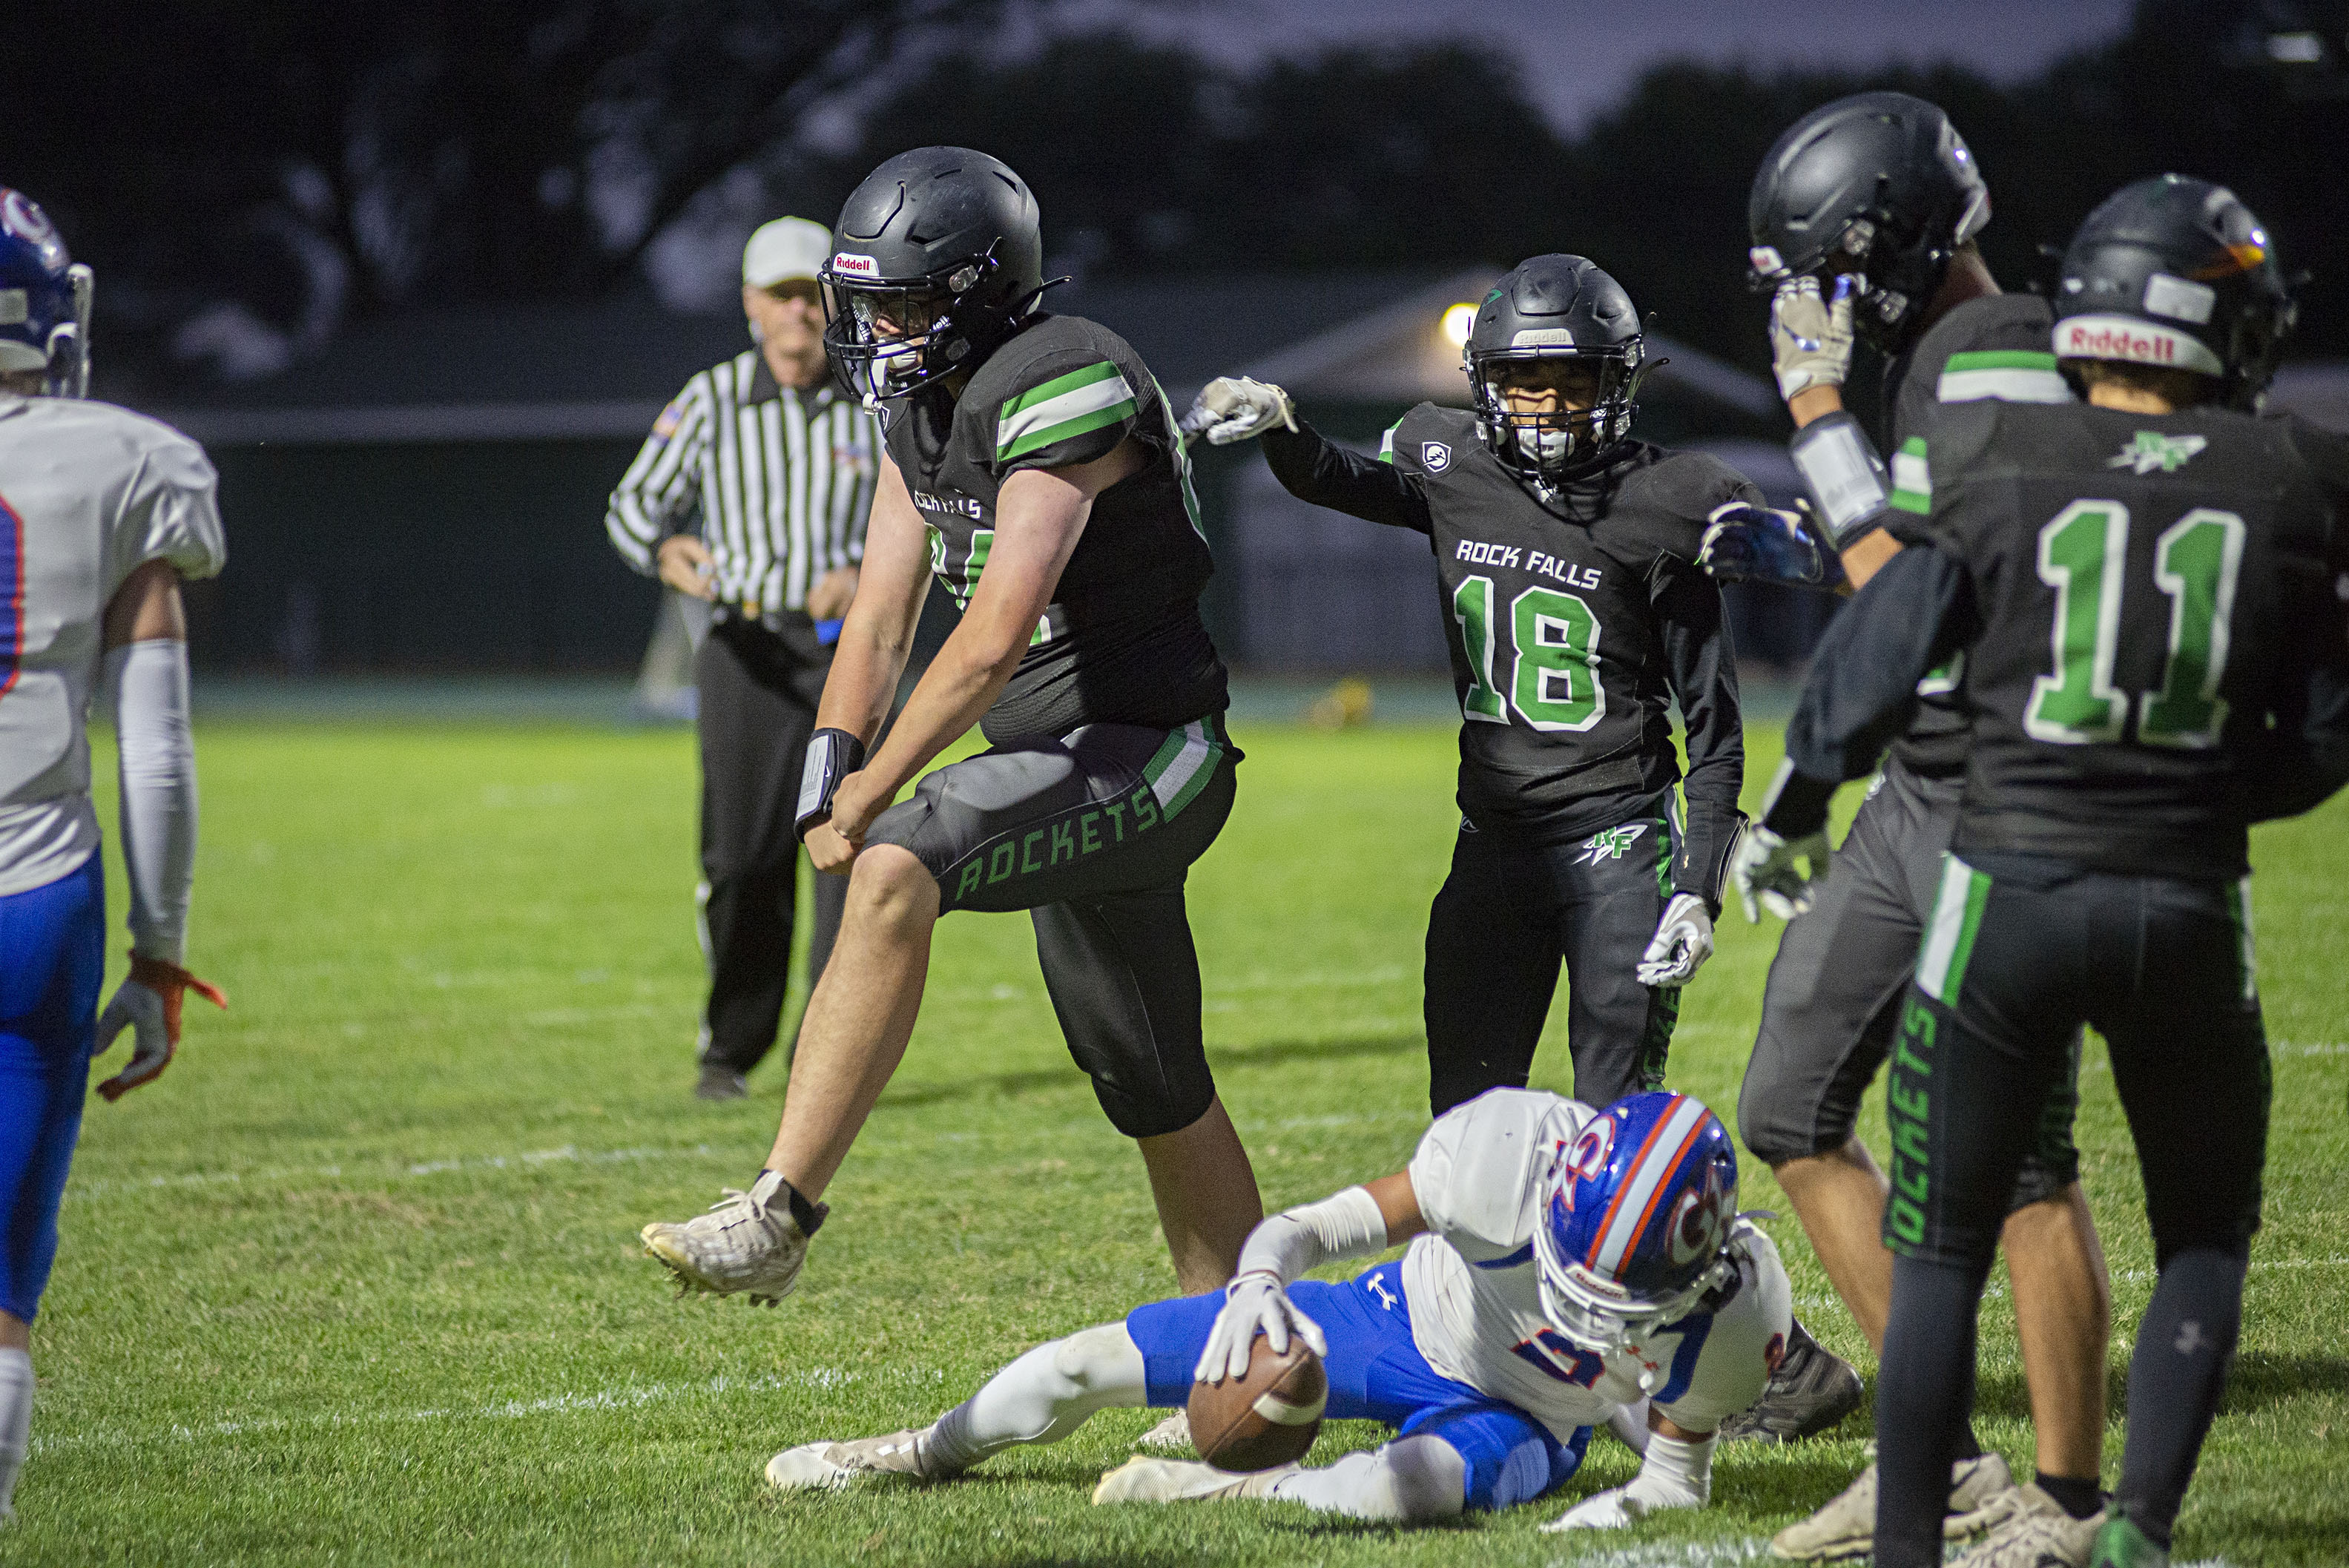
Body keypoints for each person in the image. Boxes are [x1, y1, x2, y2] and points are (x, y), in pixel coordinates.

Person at [1753, 176, 2342, 1568]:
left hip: (2003, 882)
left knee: (1944, 1229)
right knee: (2203, 1227)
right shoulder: (2298, 473)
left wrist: (1794, 794)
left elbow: (1882, 636)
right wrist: (2203, 790)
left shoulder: (1999, 452)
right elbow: (2321, 731)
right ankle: (2126, 1531)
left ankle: (1926, 1535)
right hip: (2187, 899)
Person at [637, 148, 1264, 1310]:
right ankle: (1246, 1335)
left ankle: (779, 1213)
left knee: (894, 863)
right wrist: (826, 764)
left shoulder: (1062, 376)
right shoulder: (912, 410)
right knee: (1151, 1077)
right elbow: (877, 623)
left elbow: (986, 634)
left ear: (980, 292)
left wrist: (868, 794)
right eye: (863, 303)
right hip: (1059, 758)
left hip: (1152, 747)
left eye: (904, 302)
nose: (875, 330)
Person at [1703, 93, 2114, 1505]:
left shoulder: (1991, 353)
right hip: (1914, 783)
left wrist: (1813, 413)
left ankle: (2060, 1501)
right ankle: (1932, 1456)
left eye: (1822, 270)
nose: (1809, 306)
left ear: (1885, 246)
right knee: (1788, 1101)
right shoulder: (1958, 353)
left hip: (2001, 790)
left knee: (2021, 1158)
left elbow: (1904, 587)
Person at [1185, 254, 1749, 1118]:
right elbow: (1336, 479)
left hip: (1620, 843)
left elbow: (1713, 724)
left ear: (1620, 380)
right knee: (1465, 1118)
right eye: (1525, 384)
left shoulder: (1662, 499)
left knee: (1616, 1117)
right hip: (1493, 837)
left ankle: (1626, 1254)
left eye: (1573, 381)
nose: (1549, 406)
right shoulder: (1454, 463)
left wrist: (1696, 882)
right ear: (1487, 385)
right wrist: (1283, 425)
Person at [765, 1087, 1793, 1532]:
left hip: (1528, 1416)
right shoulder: (1498, 1156)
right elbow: (1306, 1229)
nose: (1582, 1300)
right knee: (1075, 1366)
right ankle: (918, 1451)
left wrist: (1590, 1511)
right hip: (1397, 1316)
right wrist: (1257, 1285)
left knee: (1410, 1489)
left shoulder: (1739, 1315)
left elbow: (1670, 1486)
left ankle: (1232, 1491)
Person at [0, 186, 228, 1517]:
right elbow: (157, 747)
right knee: (3, 1284)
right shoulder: (126, 458)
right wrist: (162, 950)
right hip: (36, 894)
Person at [604, 216, 877, 1099]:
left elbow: (926, 505)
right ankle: (730, 1048)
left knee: (851, 850)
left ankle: (824, 1055)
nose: (801, 314)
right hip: (746, 646)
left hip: (852, 650)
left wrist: (867, 571)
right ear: (753, 305)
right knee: (741, 859)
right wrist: (665, 552)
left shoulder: (875, 395)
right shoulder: (713, 396)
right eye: (784, 296)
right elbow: (633, 505)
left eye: (814, 294)